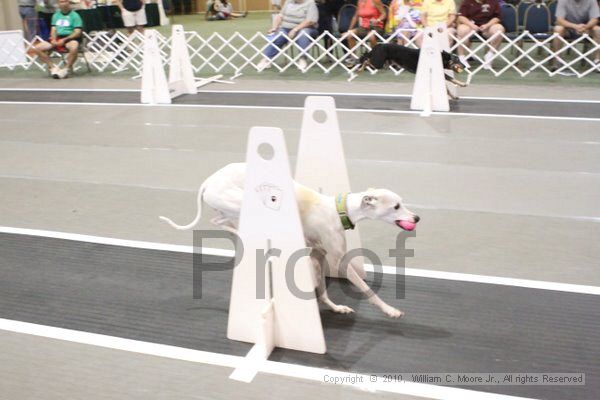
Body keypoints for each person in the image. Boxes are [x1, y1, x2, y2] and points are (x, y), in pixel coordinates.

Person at [256, 0, 319, 72]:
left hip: (306, 28)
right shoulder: (288, 2)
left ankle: (302, 59)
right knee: (279, 35)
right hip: (286, 28)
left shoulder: (310, 3)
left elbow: (310, 21)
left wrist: (295, 29)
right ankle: (267, 59)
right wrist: (274, 27)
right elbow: (280, 16)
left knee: (303, 34)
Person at [30, 0, 83, 79]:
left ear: (69, 3)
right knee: (37, 48)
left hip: (70, 38)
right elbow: (53, 29)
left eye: (65, 1)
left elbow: (77, 32)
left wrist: (64, 40)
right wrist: (53, 39)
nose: (63, 4)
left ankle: (66, 69)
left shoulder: (75, 16)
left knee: (74, 47)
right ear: (58, 4)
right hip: (58, 38)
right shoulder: (55, 15)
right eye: (61, 2)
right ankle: (53, 68)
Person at [551, 0, 600, 71]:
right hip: (567, 28)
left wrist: (586, 27)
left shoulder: (592, 1)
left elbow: (595, 19)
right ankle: (558, 61)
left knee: (598, 30)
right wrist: (575, 26)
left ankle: (597, 61)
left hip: (586, 28)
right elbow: (560, 20)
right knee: (558, 29)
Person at [456, 0, 504, 69]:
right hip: (471, 26)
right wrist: (471, 25)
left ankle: (490, 55)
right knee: (461, 29)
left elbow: (497, 17)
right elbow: (461, 17)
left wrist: (487, 25)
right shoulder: (467, 1)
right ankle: (461, 57)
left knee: (499, 28)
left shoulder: (493, 1)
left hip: (487, 27)